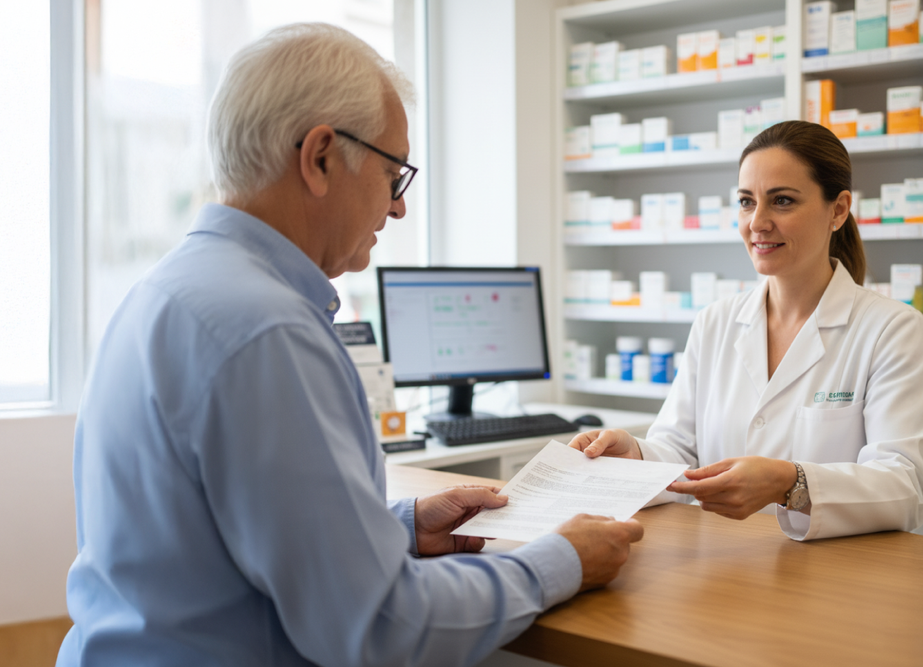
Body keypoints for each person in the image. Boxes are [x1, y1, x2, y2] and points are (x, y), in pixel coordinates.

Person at [57, 23, 643, 667]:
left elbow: (210, 542)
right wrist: (560, 561)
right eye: (395, 175)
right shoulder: (267, 330)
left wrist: (402, 526)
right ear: (320, 157)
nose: (397, 210)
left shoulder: (166, 292)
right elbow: (377, 626)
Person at [571, 120, 923, 542]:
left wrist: (792, 484)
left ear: (838, 210)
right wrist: (633, 454)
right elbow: (678, 452)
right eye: (747, 202)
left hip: (833, 578)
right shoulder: (715, 322)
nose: (758, 223)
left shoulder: (891, 329)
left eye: (782, 201)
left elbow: (906, 487)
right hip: (719, 569)